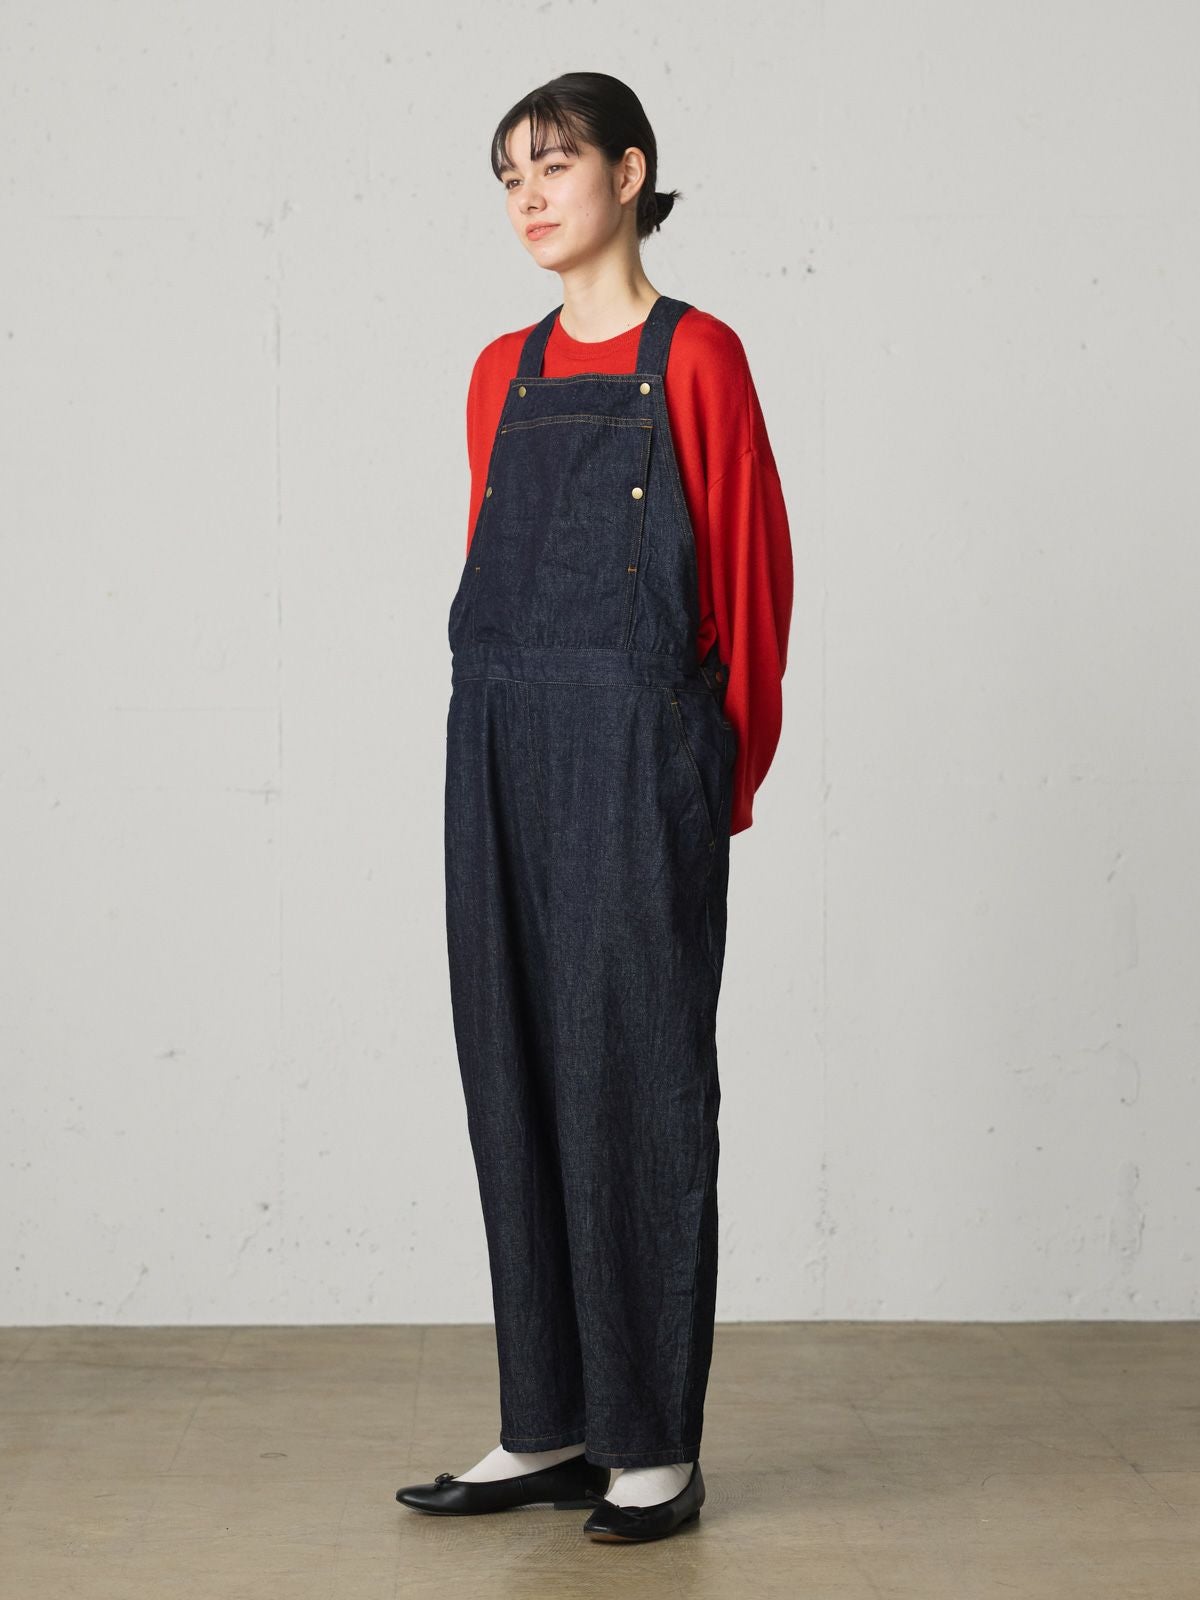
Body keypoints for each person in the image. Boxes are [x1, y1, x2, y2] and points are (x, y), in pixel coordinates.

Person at [396, 71, 793, 1544]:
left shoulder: (701, 356)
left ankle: (650, 1444)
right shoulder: (496, 370)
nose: (529, 197)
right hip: (500, 741)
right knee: (511, 1067)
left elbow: (751, 583)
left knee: (635, 1079)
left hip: (640, 754)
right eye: (508, 175)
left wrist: (709, 782)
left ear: (630, 174)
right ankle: (548, 1422)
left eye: (554, 165)